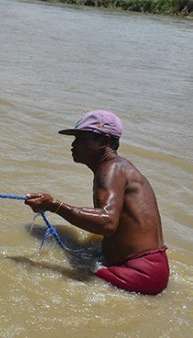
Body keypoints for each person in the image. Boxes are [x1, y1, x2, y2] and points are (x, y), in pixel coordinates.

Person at [25, 110, 169, 295]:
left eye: (81, 138)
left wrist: (55, 206)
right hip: (150, 268)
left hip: (139, 273)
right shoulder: (118, 167)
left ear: (104, 141)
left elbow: (107, 223)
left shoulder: (111, 168)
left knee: (65, 275)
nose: (73, 144)